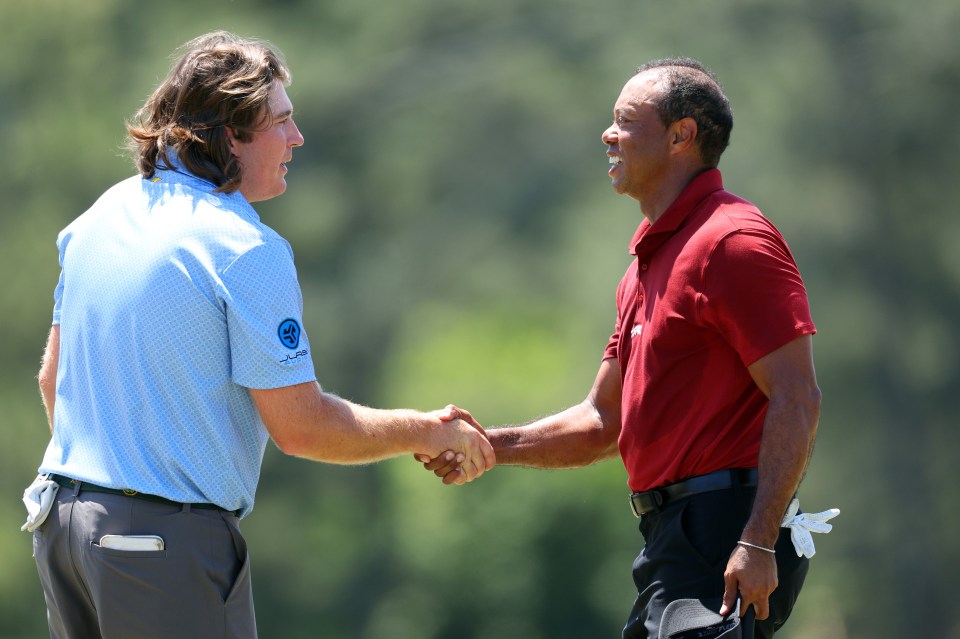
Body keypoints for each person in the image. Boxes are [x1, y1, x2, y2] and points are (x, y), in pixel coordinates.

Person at [28, 31, 494, 639]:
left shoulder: (101, 214)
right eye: (280, 122)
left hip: (61, 531)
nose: (297, 138)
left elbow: (51, 379)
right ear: (230, 136)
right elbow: (302, 428)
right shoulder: (246, 247)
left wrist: (109, 484)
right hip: (162, 547)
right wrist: (425, 430)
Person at [421, 58, 822, 638]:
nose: (607, 135)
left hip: (726, 532)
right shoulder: (645, 268)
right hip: (670, 544)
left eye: (625, 121)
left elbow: (797, 395)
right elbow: (603, 420)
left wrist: (757, 538)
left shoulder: (732, 241)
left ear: (682, 136)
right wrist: (489, 445)